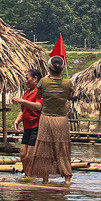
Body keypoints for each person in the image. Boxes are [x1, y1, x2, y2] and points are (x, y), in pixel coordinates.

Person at [26, 55, 76, 185]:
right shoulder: (68, 83)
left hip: (46, 118)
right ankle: (67, 178)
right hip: (61, 120)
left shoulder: (43, 82)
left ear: (49, 67)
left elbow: (39, 96)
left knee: (44, 147)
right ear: (62, 68)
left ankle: (45, 178)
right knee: (62, 147)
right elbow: (69, 96)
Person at [13, 65, 42, 175]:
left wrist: (22, 101)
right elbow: (23, 110)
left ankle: (33, 174)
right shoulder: (27, 92)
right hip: (27, 126)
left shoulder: (39, 92)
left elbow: (38, 106)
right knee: (23, 154)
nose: (26, 81)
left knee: (30, 155)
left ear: (35, 78)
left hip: (36, 125)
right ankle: (27, 174)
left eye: (27, 78)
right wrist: (17, 120)